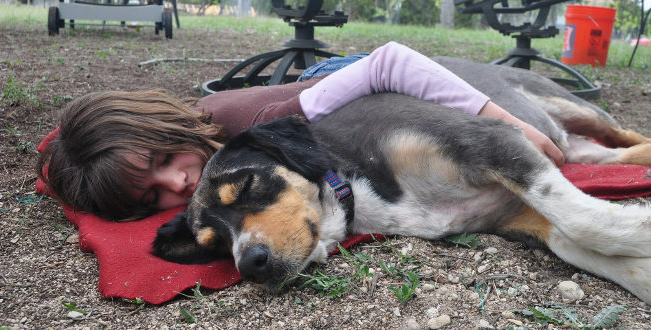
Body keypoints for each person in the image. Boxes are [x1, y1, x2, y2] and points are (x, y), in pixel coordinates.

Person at [37, 42, 564, 221]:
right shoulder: (197, 138)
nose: (175, 184)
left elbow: (392, 63)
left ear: (162, 123)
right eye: (151, 197)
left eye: (161, 161)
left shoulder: (269, 128)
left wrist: (507, 122)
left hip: (347, 84)